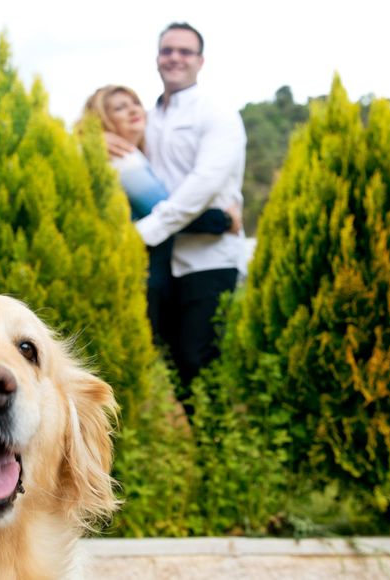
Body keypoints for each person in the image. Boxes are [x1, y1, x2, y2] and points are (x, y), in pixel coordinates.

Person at [106, 23, 247, 412]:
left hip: (209, 257)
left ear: (200, 61)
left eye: (185, 52)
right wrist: (96, 135)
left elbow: (203, 184)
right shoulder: (150, 117)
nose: (175, 58)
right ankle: (199, 455)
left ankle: (217, 454)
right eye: (168, 50)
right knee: (174, 368)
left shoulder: (217, 114)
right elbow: (128, 157)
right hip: (164, 263)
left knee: (198, 361)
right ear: (157, 58)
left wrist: (147, 230)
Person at [81, 84, 240, 343]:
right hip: (144, 277)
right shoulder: (124, 161)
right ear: (103, 119)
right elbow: (164, 209)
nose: (133, 110)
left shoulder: (130, 156)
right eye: (120, 108)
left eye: (134, 103)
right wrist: (223, 220)